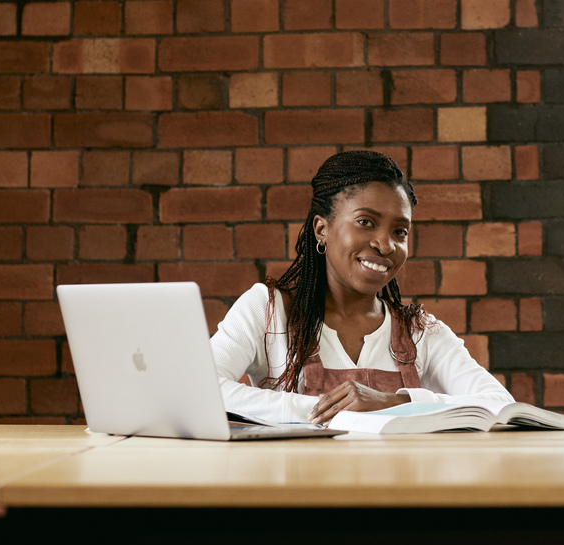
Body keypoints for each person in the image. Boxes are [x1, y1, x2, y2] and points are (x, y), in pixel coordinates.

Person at [210, 150, 513, 425]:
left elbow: (500, 406)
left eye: (399, 231)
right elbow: (202, 389)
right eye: (366, 222)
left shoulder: (421, 332)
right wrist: (323, 410)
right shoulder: (269, 310)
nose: (385, 244)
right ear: (321, 230)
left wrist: (398, 402)